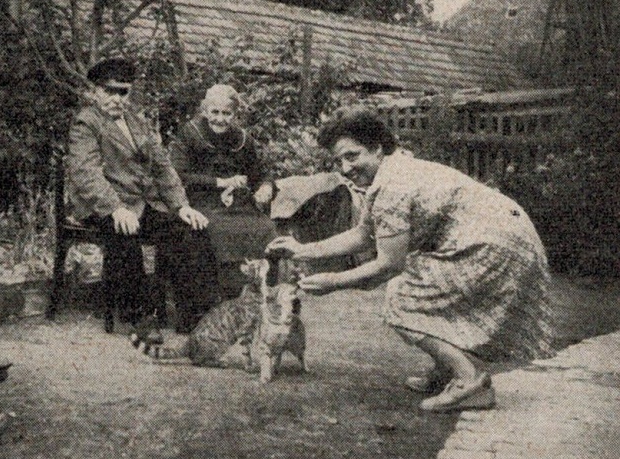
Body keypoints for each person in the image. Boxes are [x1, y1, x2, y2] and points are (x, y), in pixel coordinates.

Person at [266, 109, 555, 412]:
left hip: (497, 242)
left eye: (353, 156)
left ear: (377, 147)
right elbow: (364, 234)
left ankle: (470, 382)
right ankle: (447, 369)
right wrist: (304, 249)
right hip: (506, 232)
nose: (345, 167)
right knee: (424, 285)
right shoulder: (391, 172)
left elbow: (388, 265)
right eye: (339, 161)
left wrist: (333, 282)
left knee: (402, 296)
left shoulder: (393, 187)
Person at [66, 57, 221, 334]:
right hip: (102, 205)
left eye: (122, 91)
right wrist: (115, 208)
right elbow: (85, 173)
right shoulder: (86, 123)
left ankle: (194, 316)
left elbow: (162, 166)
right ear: (94, 92)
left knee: (190, 229)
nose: (116, 98)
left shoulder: (137, 121)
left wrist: (181, 205)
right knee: (124, 234)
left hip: (143, 203)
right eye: (108, 91)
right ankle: (136, 315)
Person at [169, 84, 277, 298]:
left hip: (237, 205)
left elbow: (260, 173)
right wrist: (221, 181)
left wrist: (266, 186)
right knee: (216, 229)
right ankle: (220, 295)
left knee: (266, 228)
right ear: (205, 110)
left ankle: (258, 295)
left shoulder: (243, 139)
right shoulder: (190, 133)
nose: (220, 119)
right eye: (215, 112)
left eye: (227, 113)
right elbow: (177, 175)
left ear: (235, 114)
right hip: (200, 201)